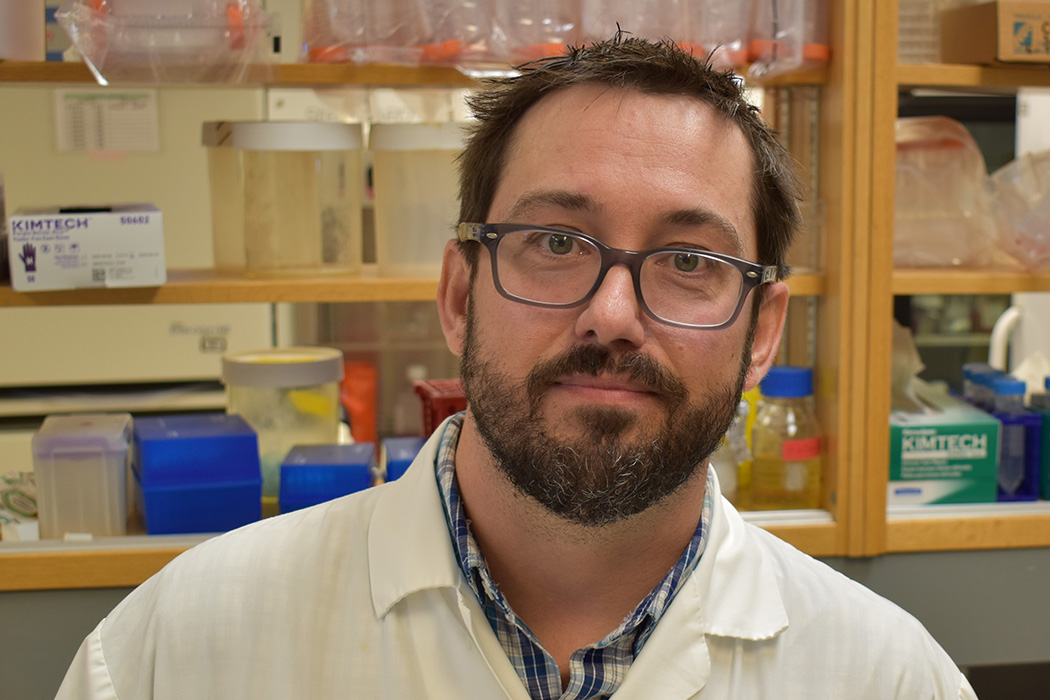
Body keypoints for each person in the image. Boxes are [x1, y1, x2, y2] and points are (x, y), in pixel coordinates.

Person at [56, 34, 976, 699]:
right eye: (553, 242)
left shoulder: (886, 676)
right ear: (459, 293)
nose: (611, 316)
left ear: (763, 330)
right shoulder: (175, 651)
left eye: (690, 261)